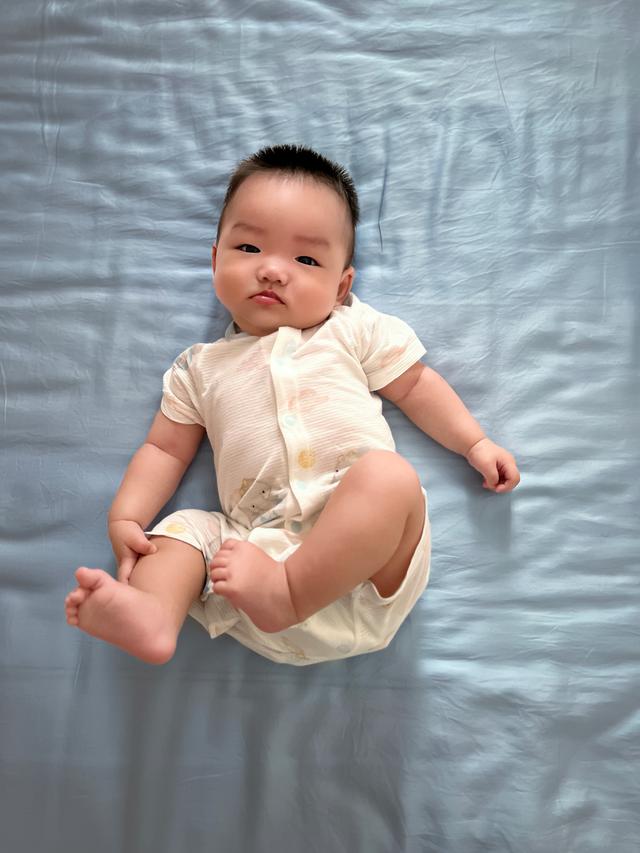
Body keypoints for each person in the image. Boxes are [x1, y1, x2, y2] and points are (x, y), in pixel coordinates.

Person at [64, 144, 520, 666]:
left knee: (387, 478)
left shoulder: (350, 328)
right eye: (249, 249)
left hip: (364, 568)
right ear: (216, 260)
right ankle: (151, 614)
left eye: (306, 259)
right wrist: (127, 518)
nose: (274, 271)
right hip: (252, 552)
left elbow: (415, 386)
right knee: (184, 531)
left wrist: (475, 443)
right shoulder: (199, 368)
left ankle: (290, 592)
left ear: (341, 286)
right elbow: (165, 450)